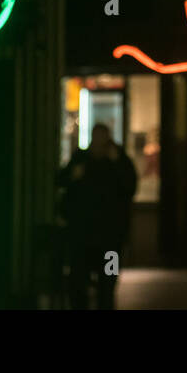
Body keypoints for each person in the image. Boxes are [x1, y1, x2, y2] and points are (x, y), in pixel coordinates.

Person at [59, 123, 137, 309]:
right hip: (82, 235)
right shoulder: (81, 159)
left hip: (111, 238)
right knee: (78, 281)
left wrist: (117, 162)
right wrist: (73, 176)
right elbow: (62, 180)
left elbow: (130, 187)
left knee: (108, 283)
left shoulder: (119, 160)